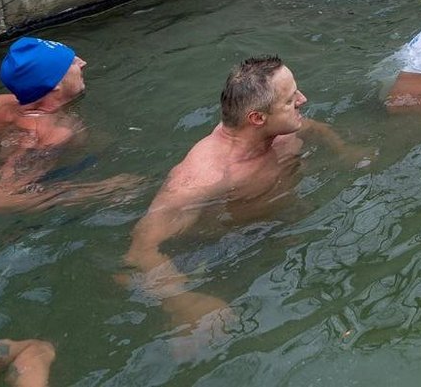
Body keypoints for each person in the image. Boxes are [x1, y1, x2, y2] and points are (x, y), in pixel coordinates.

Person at [124, 56, 349, 335]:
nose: (303, 99)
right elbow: (141, 249)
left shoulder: (282, 129)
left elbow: (316, 128)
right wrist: (183, 301)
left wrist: (347, 152)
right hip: (221, 249)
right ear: (257, 118)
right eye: (291, 100)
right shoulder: (203, 178)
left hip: (280, 224)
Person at [0, 12, 140, 212]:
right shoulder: (47, 134)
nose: (82, 63)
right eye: (71, 63)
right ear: (55, 88)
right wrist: (101, 191)